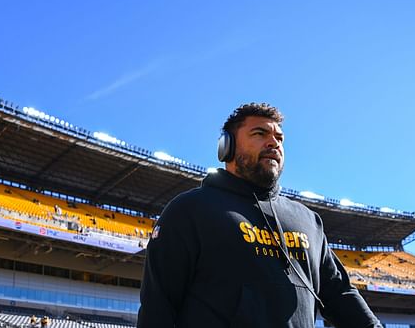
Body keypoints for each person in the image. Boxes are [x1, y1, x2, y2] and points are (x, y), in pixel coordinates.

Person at [138, 103, 382, 328]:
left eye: (279, 138)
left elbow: (340, 295)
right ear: (227, 146)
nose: (273, 143)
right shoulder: (190, 210)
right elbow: (158, 306)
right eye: (260, 134)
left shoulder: (309, 221)